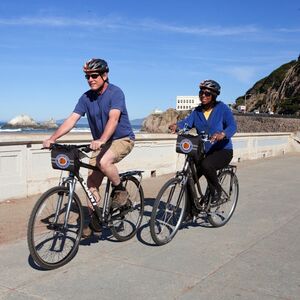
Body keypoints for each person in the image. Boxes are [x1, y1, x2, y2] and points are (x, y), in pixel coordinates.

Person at [43, 58, 135, 237]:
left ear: (104, 75)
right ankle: (94, 220)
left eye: (94, 75)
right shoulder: (86, 97)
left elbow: (113, 119)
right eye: (87, 76)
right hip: (101, 141)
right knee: (91, 183)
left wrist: (101, 139)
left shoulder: (116, 93)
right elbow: (71, 120)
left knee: (104, 161)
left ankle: (120, 189)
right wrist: (52, 138)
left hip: (122, 139)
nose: (90, 79)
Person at [169, 79, 237, 207]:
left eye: (207, 94)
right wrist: (177, 126)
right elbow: (187, 123)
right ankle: (189, 211)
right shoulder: (197, 111)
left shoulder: (222, 108)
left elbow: (232, 126)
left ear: (214, 96)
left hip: (223, 151)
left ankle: (216, 191)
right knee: (189, 178)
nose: (203, 96)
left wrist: (223, 134)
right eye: (201, 93)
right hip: (203, 151)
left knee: (207, 165)